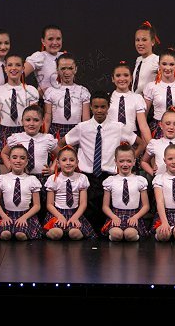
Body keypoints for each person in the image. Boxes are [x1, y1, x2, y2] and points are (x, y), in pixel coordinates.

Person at [62, 91, 139, 230]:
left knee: (107, 214)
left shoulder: (118, 127)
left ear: (108, 107)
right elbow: (61, 144)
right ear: (91, 107)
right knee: (89, 214)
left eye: (103, 107)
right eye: (96, 107)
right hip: (88, 177)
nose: (99, 110)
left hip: (109, 176)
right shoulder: (82, 127)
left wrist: (130, 160)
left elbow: (140, 143)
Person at [43, 146, 96, 240]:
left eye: (71, 160)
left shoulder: (81, 178)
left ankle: (70, 231)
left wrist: (75, 217)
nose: (68, 163)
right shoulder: (53, 179)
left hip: (74, 213)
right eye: (64, 160)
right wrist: (60, 217)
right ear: (58, 163)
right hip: (58, 213)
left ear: (77, 163)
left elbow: (83, 203)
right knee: (56, 233)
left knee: (74, 233)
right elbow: (49, 204)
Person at [0, 145, 43, 240]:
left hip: (26, 216)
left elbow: (37, 205)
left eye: (22, 158)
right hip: (8, 216)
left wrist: (24, 217)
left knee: (20, 235)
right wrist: (4, 217)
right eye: (14, 157)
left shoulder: (32, 180)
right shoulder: (2, 179)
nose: (18, 161)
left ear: (27, 161)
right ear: (9, 160)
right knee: (5, 234)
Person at [101, 143, 150, 241]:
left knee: (129, 235)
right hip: (116, 215)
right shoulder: (110, 181)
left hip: (133, 215)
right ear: (116, 162)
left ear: (134, 162)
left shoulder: (140, 181)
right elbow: (105, 206)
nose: (125, 164)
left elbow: (146, 206)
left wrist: (136, 217)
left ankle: (134, 235)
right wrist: (113, 217)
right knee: (117, 234)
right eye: (121, 161)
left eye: (129, 161)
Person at [0, 53, 39, 147]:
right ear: (5, 69)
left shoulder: (31, 90)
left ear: (23, 68)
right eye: (10, 65)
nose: (14, 68)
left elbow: (34, 118)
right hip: (4, 132)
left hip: (25, 131)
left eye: (18, 65)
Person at [143, 48, 175, 138]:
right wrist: (146, 140)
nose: (168, 68)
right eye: (164, 64)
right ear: (159, 64)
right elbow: (143, 116)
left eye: (171, 64)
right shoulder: (151, 87)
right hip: (157, 128)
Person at [44, 53, 90, 139]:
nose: (67, 72)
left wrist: (86, 137)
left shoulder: (83, 91)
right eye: (63, 68)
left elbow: (86, 119)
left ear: (75, 69)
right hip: (56, 130)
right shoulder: (51, 91)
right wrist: (45, 136)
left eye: (70, 68)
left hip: (76, 130)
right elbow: (47, 118)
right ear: (57, 70)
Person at [108, 61, 151, 146]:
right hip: (111, 138)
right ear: (113, 79)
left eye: (126, 75)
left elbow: (143, 126)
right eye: (118, 75)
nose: (122, 79)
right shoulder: (107, 98)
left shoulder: (137, 98)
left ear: (131, 78)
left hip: (132, 139)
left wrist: (152, 145)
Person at [24, 24, 64, 98]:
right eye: (50, 39)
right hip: (46, 102)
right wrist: (33, 93)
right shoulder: (39, 57)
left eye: (58, 39)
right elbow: (18, 76)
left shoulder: (64, 56)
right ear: (43, 41)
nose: (55, 43)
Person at [132, 21, 160, 96]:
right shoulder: (138, 60)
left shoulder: (157, 60)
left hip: (148, 100)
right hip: (134, 100)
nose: (140, 44)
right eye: (137, 40)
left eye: (144, 40)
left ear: (153, 42)